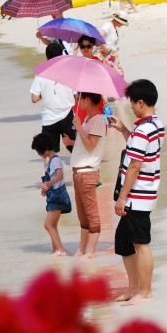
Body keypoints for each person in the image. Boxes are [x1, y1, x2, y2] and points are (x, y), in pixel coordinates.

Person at [107, 79, 164, 304]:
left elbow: (134, 165)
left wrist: (122, 198)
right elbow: (136, 148)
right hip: (141, 194)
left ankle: (146, 292)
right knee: (123, 242)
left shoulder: (145, 129)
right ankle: (133, 287)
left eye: (132, 103)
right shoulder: (154, 124)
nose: (131, 107)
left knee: (141, 243)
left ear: (141, 102)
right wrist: (123, 129)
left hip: (137, 196)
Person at [70, 91, 106, 258]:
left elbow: (91, 145)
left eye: (79, 98)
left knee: (91, 214)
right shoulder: (87, 119)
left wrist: (78, 127)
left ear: (88, 99)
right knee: (82, 215)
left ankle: (90, 251)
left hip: (87, 172)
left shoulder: (98, 120)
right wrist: (72, 141)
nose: (77, 101)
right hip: (79, 172)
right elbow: (86, 144)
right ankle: (82, 249)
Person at [30, 42, 76, 152]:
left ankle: (52, 169)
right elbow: (77, 95)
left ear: (47, 57)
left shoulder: (41, 74)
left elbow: (34, 99)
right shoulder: (69, 72)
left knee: (48, 152)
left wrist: (44, 92)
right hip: (67, 115)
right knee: (74, 149)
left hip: (49, 118)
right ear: (61, 56)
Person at [32, 132, 70, 255]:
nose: (39, 154)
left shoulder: (55, 160)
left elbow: (59, 176)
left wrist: (49, 184)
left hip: (57, 197)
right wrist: (46, 188)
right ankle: (56, 249)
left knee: (48, 225)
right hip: (53, 195)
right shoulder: (50, 160)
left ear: (46, 149)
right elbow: (51, 178)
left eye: (39, 152)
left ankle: (61, 250)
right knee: (53, 225)